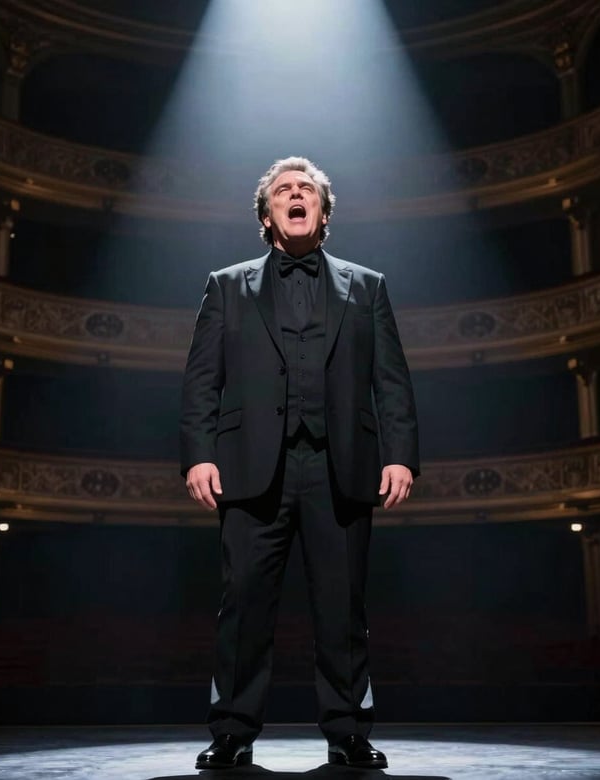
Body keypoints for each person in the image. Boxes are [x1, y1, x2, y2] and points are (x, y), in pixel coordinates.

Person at [180, 156, 420, 769]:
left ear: (323, 211)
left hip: (342, 465)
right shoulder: (225, 285)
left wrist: (401, 457)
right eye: (284, 190)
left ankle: (349, 732)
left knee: (343, 609)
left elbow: (391, 381)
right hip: (250, 465)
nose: (295, 195)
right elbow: (202, 381)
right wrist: (198, 457)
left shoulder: (367, 286)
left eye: (306, 189)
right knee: (244, 605)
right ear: (267, 215)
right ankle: (231, 731)